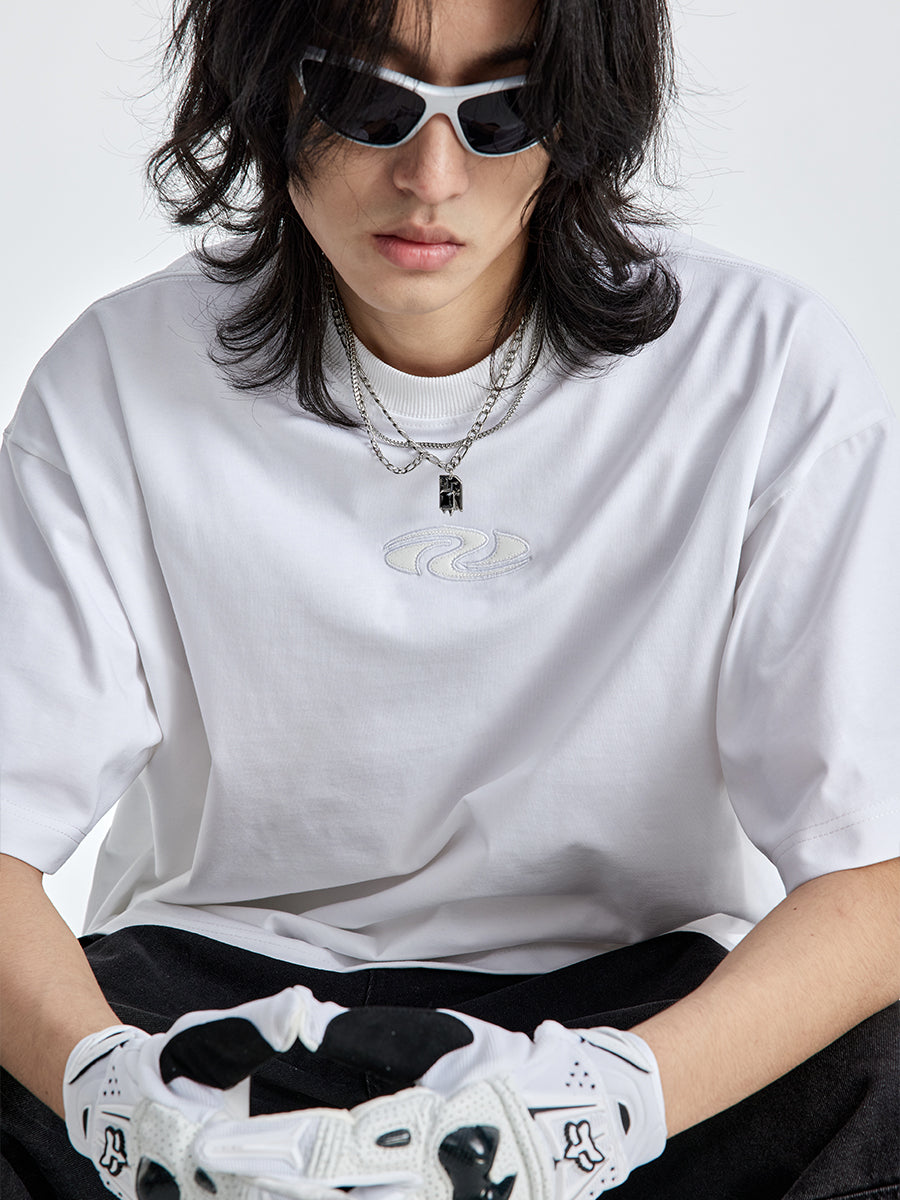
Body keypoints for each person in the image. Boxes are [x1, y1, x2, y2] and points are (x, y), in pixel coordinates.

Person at [1, 0, 898, 1196]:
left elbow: (873, 872)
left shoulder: (763, 371)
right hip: (212, 1006)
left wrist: (608, 1107)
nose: (431, 178)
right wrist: (103, 1091)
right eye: (364, 99)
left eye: (505, 110)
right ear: (265, 88)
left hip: (629, 1018)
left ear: (579, 116)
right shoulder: (117, 380)